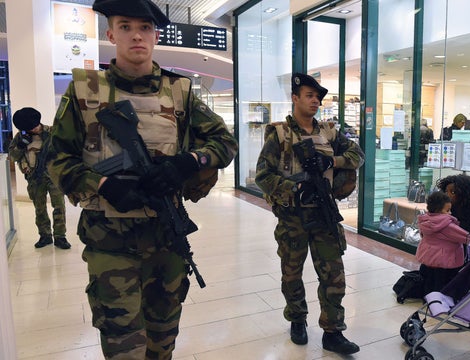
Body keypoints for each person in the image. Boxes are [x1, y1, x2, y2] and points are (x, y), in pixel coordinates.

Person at [47, 0, 238, 358]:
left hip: (166, 240)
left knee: (163, 338)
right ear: (110, 34)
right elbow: (56, 158)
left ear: (155, 35)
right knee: (122, 343)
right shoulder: (85, 90)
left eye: (145, 28)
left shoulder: (179, 92)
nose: (136, 35)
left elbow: (225, 143)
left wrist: (187, 162)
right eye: (125, 26)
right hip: (109, 244)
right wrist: (103, 185)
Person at [255, 73, 364, 355]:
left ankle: (333, 331)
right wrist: (294, 189)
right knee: (291, 273)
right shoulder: (278, 134)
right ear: (295, 98)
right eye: (309, 96)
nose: (315, 101)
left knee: (334, 274)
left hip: (325, 212)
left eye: (318, 97)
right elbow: (263, 176)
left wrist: (332, 159)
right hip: (293, 217)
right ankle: (297, 319)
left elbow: (357, 156)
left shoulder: (329, 132)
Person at [8, 107, 70, 249]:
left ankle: (60, 237)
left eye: (35, 126)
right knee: (39, 208)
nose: (35, 129)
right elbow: (12, 157)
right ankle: (45, 236)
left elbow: (66, 152)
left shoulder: (53, 132)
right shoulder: (20, 137)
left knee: (59, 206)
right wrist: (20, 146)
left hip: (54, 177)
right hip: (35, 178)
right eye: (31, 128)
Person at [416, 191, 470, 294]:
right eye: (448, 210)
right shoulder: (448, 226)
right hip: (445, 261)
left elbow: (422, 235)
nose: (450, 213)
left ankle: (428, 302)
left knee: (429, 284)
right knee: (442, 287)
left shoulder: (424, 221)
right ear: (438, 210)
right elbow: (467, 238)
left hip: (428, 258)